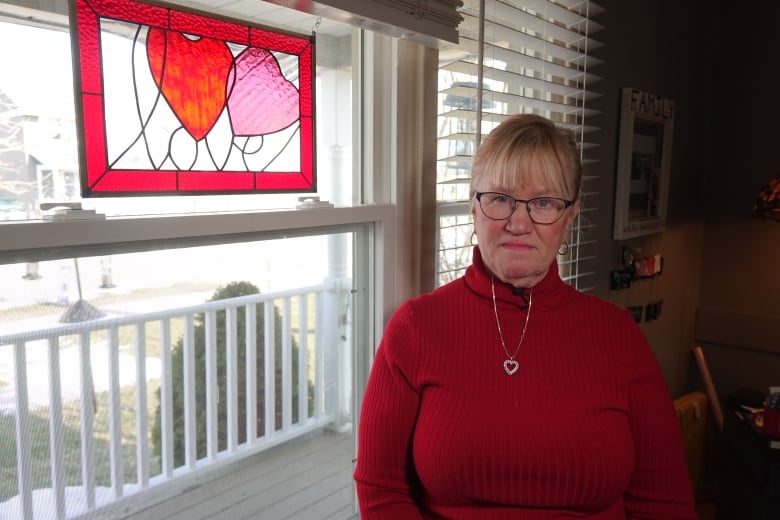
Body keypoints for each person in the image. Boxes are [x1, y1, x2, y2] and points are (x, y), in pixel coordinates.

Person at [353, 113, 696, 519]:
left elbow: (664, 502)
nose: (518, 223)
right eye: (499, 198)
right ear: (473, 210)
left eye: (545, 203)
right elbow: (381, 488)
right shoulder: (414, 329)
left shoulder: (618, 336)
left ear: (569, 218)